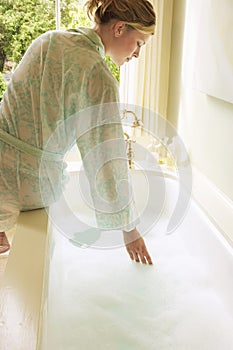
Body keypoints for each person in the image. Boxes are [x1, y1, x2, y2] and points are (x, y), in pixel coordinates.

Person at [0, 0, 156, 264]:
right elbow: (106, 159)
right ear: (119, 28)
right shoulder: (97, 75)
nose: (138, 54)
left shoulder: (48, 41)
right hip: (31, 185)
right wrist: (129, 229)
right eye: (139, 43)